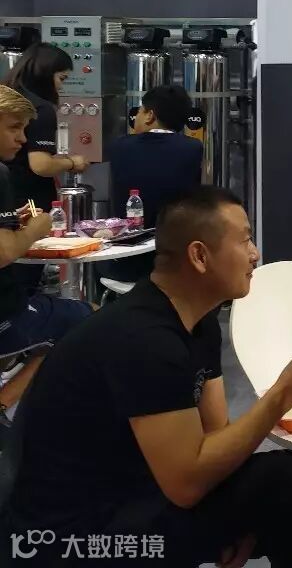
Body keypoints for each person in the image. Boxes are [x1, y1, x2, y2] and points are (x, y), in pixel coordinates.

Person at [5, 187, 292, 568]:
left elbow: (217, 440)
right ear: (199, 256)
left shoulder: (199, 324)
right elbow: (188, 485)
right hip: (74, 538)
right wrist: (280, 395)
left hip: (140, 491)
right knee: (283, 476)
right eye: (244, 240)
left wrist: (246, 521)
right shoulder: (144, 339)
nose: (255, 254)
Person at [0, 85, 91, 419]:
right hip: (6, 316)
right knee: (89, 319)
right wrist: (37, 228)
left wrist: (13, 222)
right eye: (14, 127)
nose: (22, 139)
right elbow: (4, 252)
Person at [101, 84, 205, 282]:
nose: (137, 117)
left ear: (150, 115)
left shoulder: (120, 147)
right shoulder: (193, 148)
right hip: (177, 265)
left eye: (140, 111)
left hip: (126, 265)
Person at [2, 42, 88, 213]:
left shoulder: (5, 96)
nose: (60, 87)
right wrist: (72, 163)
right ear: (45, 74)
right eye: (61, 78)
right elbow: (41, 165)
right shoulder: (41, 109)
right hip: (30, 203)